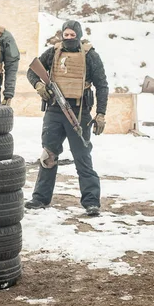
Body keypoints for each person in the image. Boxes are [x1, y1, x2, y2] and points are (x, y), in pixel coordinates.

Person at [25, 20, 108, 216]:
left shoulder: (90, 55)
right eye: (66, 35)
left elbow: (102, 85)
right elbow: (31, 71)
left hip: (79, 112)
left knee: (82, 157)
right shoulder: (53, 52)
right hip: (54, 111)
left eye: (72, 35)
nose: (69, 38)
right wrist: (39, 85)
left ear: (78, 35)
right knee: (48, 156)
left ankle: (91, 202)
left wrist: (101, 113)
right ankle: (40, 199)